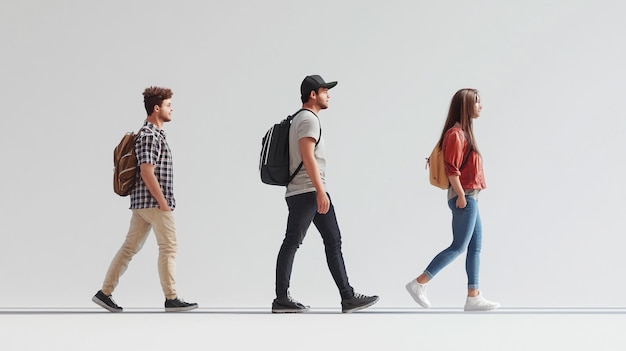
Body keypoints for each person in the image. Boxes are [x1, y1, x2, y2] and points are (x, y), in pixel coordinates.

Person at [272, 75, 379, 313]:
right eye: (324, 91)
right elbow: (307, 156)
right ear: (313, 95)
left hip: (306, 190)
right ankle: (281, 298)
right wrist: (321, 191)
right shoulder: (309, 119)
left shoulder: (298, 119)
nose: (328, 95)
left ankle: (348, 297)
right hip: (307, 191)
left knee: (333, 241)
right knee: (292, 242)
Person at [92, 86, 198, 312]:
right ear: (156, 108)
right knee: (169, 247)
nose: (172, 109)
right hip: (153, 203)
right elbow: (147, 170)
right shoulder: (149, 135)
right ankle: (171, 298)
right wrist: (162, 201)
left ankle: (104, 292)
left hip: (141, 204)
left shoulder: (151, 134)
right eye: (169, 105)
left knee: (129, 247)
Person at [406, 88, 500, 312]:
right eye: (477, 103)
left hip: (470, 198)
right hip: (464, 198)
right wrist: (460, 196)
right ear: (466, 106)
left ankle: (473, 296)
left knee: (474, 247)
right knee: (459, 246)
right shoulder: (456, 135)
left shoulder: (464, 134)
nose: (481, 106)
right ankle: (419, 283)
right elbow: (452, 170)